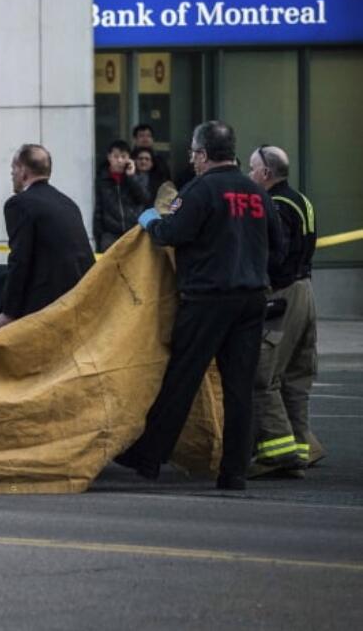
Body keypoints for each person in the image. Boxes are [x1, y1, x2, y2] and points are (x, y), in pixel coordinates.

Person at [118, 121, 287, 491]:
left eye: (194, 153)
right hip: (251, 299)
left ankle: (148, 457)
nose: (192, 160)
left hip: (208, 299)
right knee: (239, 388)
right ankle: (235, 471)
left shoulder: (198, 191)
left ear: (205, 154)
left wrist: (149, 219)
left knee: (182, 378)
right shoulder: (257, 194)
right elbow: (280, 250)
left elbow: (172, 233)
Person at [247, 144, 324, 477]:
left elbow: (274, 255)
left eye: (252, 170)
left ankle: (277, 452)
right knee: (296, 378)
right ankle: (299, 451)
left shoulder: (274, 205)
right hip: (306, 292)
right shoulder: (302, 200)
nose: (249, 175)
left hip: (283, 296)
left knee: (262, 376)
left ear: (265, 174)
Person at [0, 144, 95, 329]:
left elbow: (20, 260)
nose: (11, 174)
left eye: (13, 168)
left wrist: (9, 312)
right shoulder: (68, 203)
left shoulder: (19, 204)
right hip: (80, 301)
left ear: (23, 170)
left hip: (45, 305)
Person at [93, 140, 150, 252]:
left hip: (133, 231)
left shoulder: (138, 175)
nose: (119, 160)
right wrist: (98, 236)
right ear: (109, 157)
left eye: (123, 157)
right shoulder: (102, 179)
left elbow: (144, 198)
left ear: (129, 158)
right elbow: (99, 209)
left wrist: (132, 177)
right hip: (110, 234)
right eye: (116, 156)